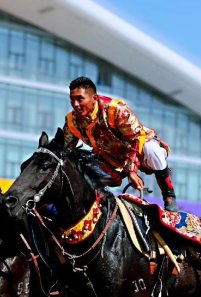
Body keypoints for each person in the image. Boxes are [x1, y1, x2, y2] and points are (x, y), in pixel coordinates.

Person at [63, 76, 179, 211]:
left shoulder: (116, 109)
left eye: (80, 99)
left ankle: (169, 195)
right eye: (72, 99)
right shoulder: (72, 121)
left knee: (152, 148)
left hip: (139, 150)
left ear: (94, 98)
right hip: (110, 159)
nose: (75, 104)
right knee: (82, 166)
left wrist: (132, 171)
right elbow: (65, 150)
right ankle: (94, 206)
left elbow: (136, 138)